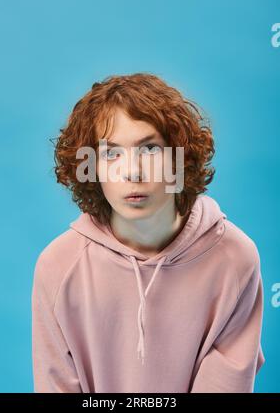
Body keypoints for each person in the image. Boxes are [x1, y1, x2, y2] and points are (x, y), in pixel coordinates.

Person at [31, 73, 265, 393]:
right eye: (111, 153)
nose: (132, 171)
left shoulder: (235, 258)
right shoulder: (57, 266)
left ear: (179, 159)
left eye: (150, 149)